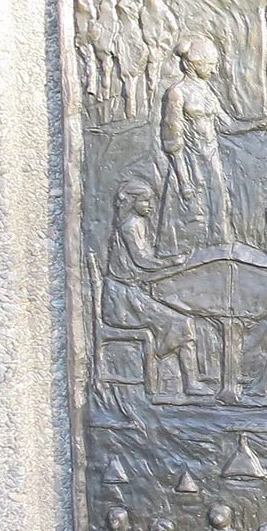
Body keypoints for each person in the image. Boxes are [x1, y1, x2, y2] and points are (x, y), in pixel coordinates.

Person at [102, 180, 207, 398]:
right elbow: (143, 261)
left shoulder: (137, 224)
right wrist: (173, 262)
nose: (150, 205)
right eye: (146, 200)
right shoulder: (131, 226)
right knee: (182, 322)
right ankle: (189, 382)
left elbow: (146, 261)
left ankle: (182, 377)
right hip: (123, 301)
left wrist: (169, 261)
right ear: (133, 201)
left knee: (181, 315)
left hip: (131, 295)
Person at [156, 36, 234, 250]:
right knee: (191, 216)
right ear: (193, 64)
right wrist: (184, 180)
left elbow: (228, 125)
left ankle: (218, 250)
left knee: (217, 209)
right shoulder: (176, 94)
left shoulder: (207, 90)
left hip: (211, 159)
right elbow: (172, 141)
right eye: (210, 65)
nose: (213, 70)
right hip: (189, 163)